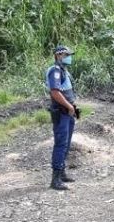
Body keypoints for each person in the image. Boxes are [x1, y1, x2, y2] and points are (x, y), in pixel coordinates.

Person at [45, 45, 77, 191]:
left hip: (68, 112)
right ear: (59, 55)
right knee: (60, 144)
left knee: (66, 143)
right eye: (67, 55)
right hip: (62, 112)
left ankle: (62, 172)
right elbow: (55, 93)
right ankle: (55, 179)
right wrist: (69, 107)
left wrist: (73, 106)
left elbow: (67, 92)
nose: (69, 57)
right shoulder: (55, 71)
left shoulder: (64, 71)